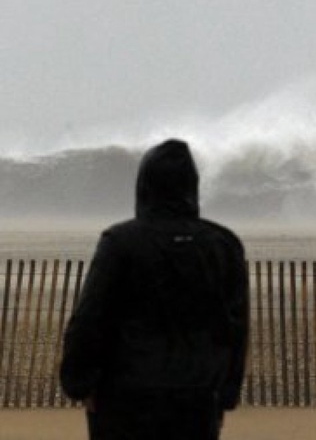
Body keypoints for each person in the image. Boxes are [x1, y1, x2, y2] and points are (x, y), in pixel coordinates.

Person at [60, 139, 249, 440]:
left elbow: (91, 317)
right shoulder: (223, 244)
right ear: (192, 186)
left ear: (144, 185)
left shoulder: (121, 242)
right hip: (197, 398)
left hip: (125, 397)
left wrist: (79, 382)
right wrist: (226, 393)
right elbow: (234, 326)